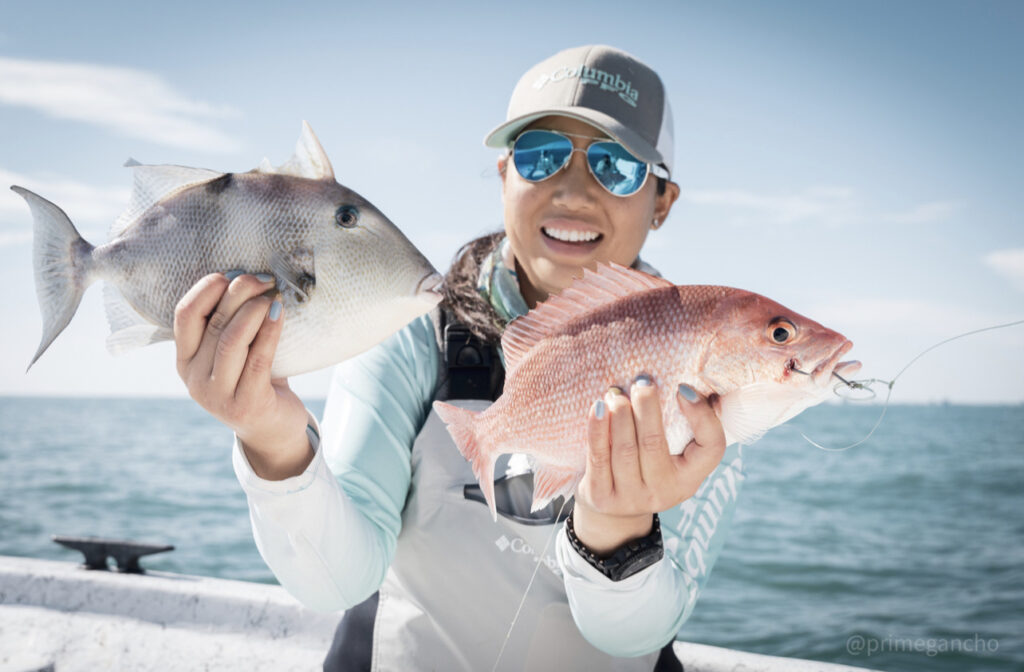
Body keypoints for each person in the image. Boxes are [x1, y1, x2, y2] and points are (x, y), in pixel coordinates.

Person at [175, 45, 745, 671]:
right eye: (541, 155)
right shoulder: (415, 328)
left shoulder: (705, 367)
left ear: (662, 201)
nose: (575, 190)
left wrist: (620, 526)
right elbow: (335, 582)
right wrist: (271, 440)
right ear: (505, 174)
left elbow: (639, 633)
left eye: (616, 165)